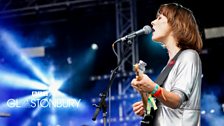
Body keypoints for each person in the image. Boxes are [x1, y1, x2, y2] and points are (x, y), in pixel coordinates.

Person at [131, 3, 203, 126]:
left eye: (160, 18)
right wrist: (144, 95)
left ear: (176, 23)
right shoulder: (170, 65)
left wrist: (152, 87)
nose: (153, 22)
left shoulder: (189, 55)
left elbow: (176, 101)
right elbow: (161, 109)